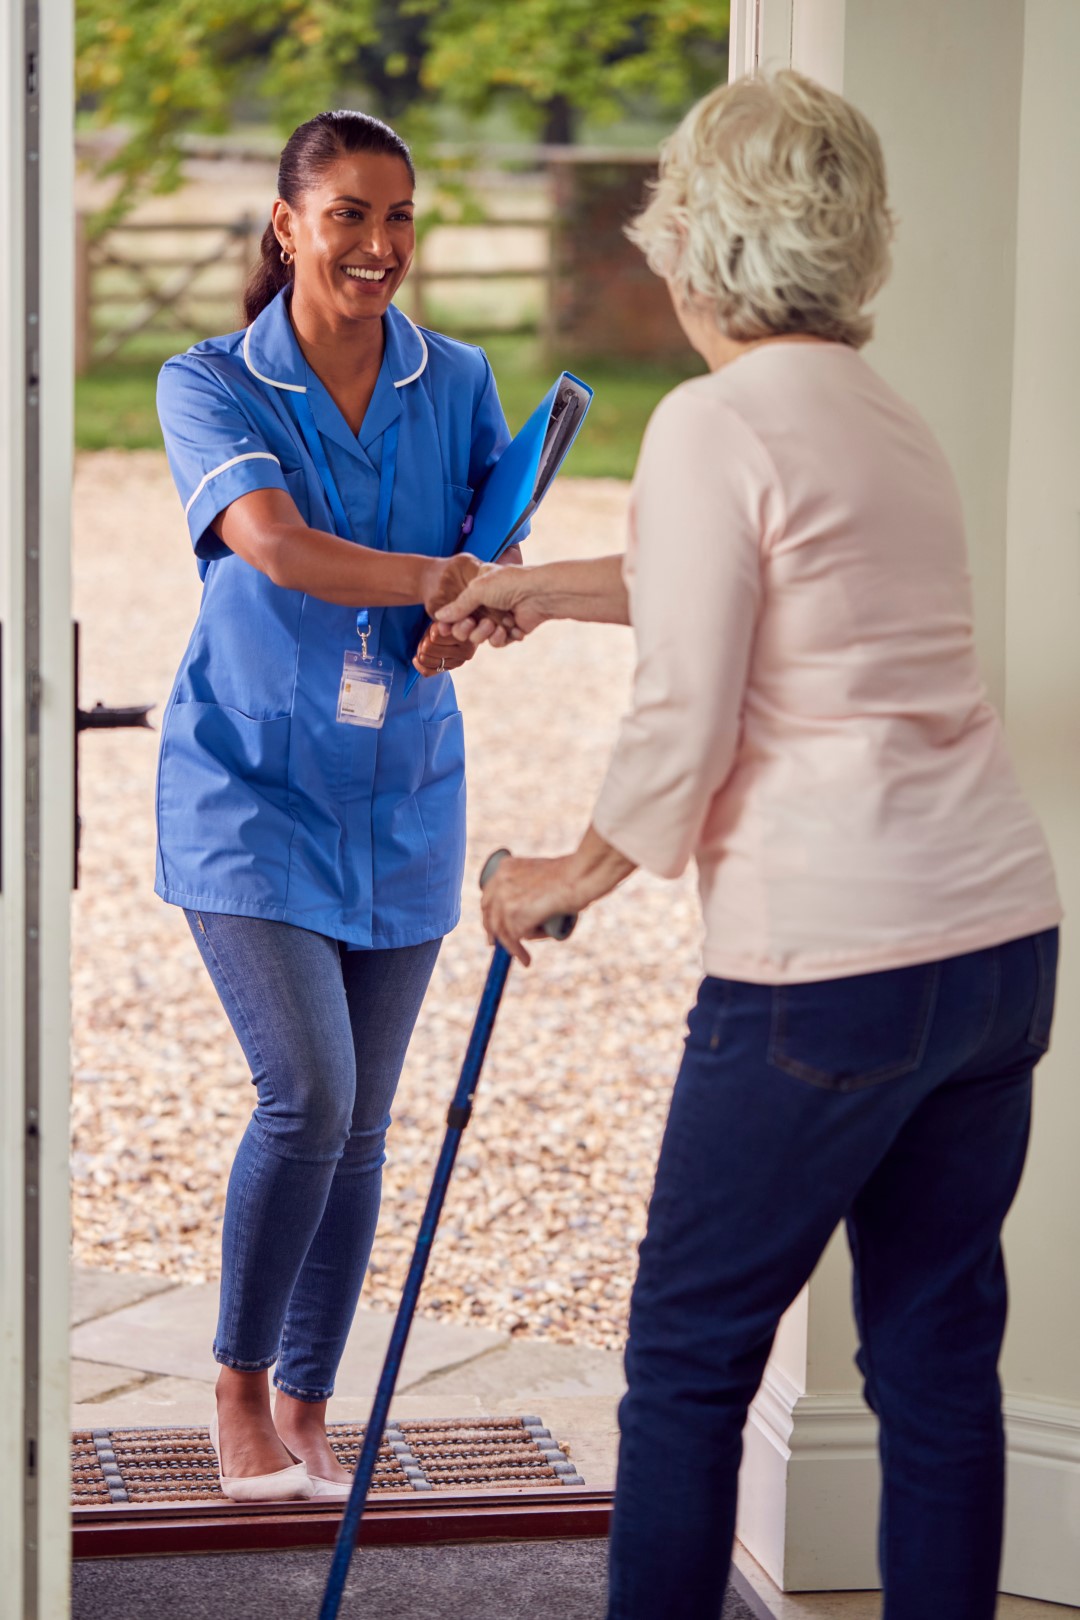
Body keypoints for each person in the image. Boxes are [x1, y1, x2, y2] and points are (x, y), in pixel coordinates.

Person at [435, 71, 1062, 1620]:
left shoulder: (713, 421)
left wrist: (560, 880)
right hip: (993, 949)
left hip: (827, 976)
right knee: (931, 1358)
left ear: (697, 237)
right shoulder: (882, 416)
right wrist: (526, 587)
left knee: (689, 1363)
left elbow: (687, 713)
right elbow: (732, 583)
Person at [154, 109, 515, 1501]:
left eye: (399, 217)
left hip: (405, 793)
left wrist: (477, 610)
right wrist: (442, 579)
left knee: (364, 1123)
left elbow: (497, 545)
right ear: (287, 226)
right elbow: (276, 547)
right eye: (349, 214)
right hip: (249, 791)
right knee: (306, 1092)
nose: (378, 244)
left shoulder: (460, 377)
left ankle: (311, 1396)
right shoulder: (213, 384)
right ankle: (238, 1386)